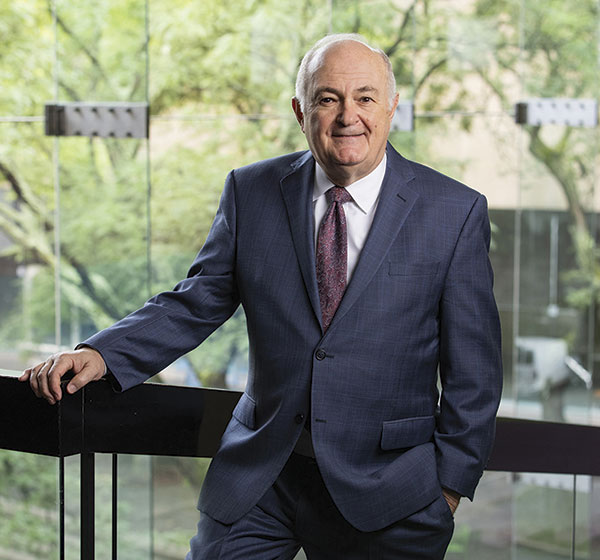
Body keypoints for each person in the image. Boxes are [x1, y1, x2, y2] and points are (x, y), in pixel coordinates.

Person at [20, 34, 502, 559]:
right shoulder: (251, 191)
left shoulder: (454, 212)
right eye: (327, 98)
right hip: (263, 477)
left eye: (365, 98)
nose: (348, 116)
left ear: (392, 107)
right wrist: (102, 353)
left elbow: (473, 371)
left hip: (390, 492)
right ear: (300, 111)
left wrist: (448, 488)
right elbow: (197, 300)